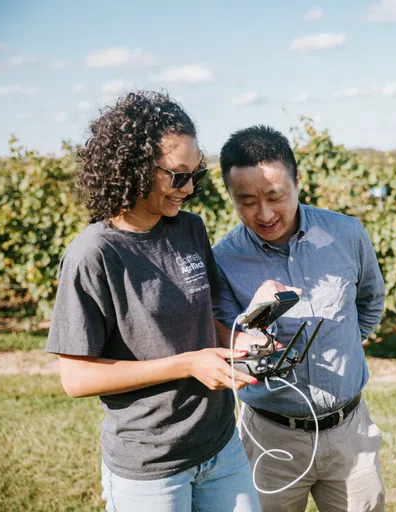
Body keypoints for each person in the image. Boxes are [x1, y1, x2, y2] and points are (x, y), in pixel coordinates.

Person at [45, 91, 265, 512]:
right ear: (132, 168)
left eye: (195, 175)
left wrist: (239, 343)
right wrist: (186, 364)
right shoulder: (94, 255)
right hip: (150, 464)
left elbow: (209, 315)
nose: (189, 188)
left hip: (221, 446)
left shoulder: (190, 230)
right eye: (177, 176)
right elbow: (76, 379)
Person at [212, 125, 387, 512]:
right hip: (270, 439)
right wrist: (251, 323)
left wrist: (341, 347)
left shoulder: (347, 234)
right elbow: (227, 343)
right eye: (247, 201)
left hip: (350, 434)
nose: (265, 213)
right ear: (230, 196)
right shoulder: (222, 259)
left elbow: (370, 302)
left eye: (276, 196)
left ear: (297, 182)